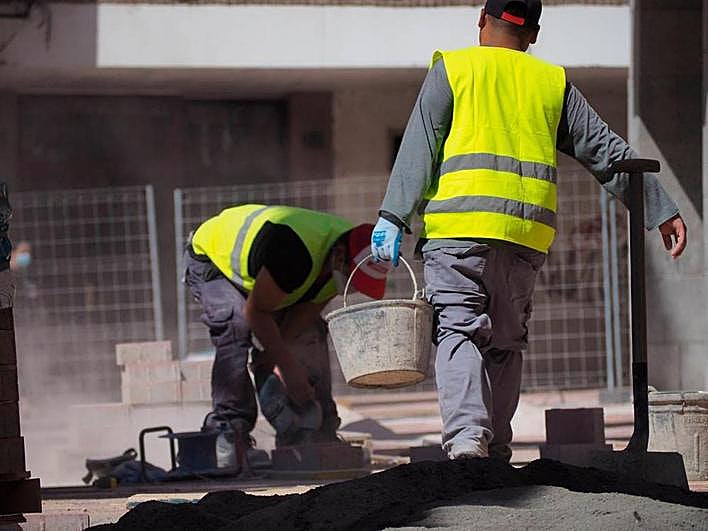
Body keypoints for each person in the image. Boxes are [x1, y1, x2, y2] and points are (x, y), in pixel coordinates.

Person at [370, 0, 687, 461]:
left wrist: (393, 215)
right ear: (533, 35)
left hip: (459, 232)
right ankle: (495, 447)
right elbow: (604, 149)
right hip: (524, 238)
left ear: (481, 19)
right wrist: (658, 207)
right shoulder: (550, 83)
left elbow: (419, 146)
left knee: (459, 332)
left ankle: (466, 442)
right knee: (503, 342)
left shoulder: (454, 70)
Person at [184, 203, 389, 451]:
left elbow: (308, 311)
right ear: (338, 257)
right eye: (354, 280)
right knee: (235, 325)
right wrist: (288, 367)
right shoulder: (295, 253)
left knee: (311, 332)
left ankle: (318, 430)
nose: (354, 287)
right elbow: (255, 311)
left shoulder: (353, 252)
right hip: (213, 261)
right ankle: (228, 431)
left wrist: (273, 356)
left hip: (267, 271)